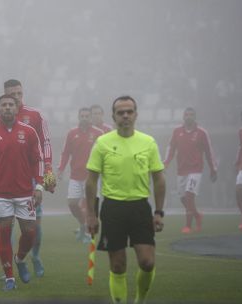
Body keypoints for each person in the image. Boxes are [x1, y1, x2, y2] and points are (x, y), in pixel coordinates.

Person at [85, 96, 166, 304]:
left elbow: (158, 179)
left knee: (147, 262)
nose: (125, 116)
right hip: (112, 208)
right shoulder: (102, 143)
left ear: (136, 115)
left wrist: (158, 212)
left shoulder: (148, 142)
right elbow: (91, 181)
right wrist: (91, 215)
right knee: (118, 265)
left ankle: (140, 300)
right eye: (120, 112)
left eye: (129, 111)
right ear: (113, 117)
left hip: (140, 207)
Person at [0, 94, 44, 291]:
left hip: (25, 192)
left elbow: (37, 161)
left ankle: (20, 258)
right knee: (4, 234)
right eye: (3, 105)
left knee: (29, 232)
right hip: (1, 194)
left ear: (17, 109)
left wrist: (39, 186)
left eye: (11, 105)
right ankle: (9, 278)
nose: (7, 108)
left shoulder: (29, 132)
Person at [0, 79, 54, 277]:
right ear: (5, 95)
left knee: (34, 225)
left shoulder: (35, 116)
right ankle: (8, 267)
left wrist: (48, 171)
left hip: (31, 179)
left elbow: (45, 143)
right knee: (6, 225)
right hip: (6, 181)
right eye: (12, 95)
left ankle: (34, 256)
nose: (17, 98)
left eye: (19, 94)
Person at [163, 107, 217, 233]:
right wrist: (165, 163)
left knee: (189, 195)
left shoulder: (202, 132)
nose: (189, 116)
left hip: (196, 170)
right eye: (186, 114)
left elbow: (209, 152)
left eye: (191, 114)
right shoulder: (177, 131)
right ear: (183, 117)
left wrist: (213, 169)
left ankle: (188, 225)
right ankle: (197, 215)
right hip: (181, 170)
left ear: (195, 117)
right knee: (183, 198)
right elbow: (171, 148)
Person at [57, 107, 103, 243]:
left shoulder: (98, 133)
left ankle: (89, 233)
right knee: (72, 203)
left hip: (92, 177)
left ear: (90, 118)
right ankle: (83, 225)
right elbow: (65, 153)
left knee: (90, 206)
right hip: (75, 177)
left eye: (86, 116)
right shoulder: (71, 133)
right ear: (78, 117)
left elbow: (104, 154)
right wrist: (60, 169)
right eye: (82, 116)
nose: (84, 118)